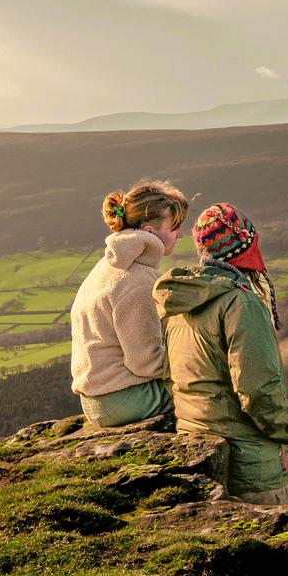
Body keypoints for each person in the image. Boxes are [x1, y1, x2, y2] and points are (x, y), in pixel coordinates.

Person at [156, 202, 288, 502]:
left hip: (199, 451)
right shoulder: (242, 304)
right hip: (250, 468)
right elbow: (258, 389)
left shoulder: (179, 302)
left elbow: (170, 376)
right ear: (245, 250)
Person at [70, 179, 191, 429]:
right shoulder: (137, 280)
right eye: (174, 226)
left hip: (98, 397)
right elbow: (146, 362)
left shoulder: (109, 265)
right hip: (121, 399)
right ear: (149, 231)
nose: (179, 234)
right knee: (212, 394)